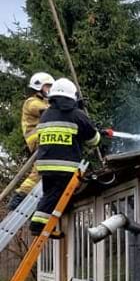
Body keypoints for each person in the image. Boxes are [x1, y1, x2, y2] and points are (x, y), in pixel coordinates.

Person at [29, 78, 100, 237]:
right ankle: (37, 226)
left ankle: (49, 227)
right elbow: (93, 140)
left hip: (45, 165)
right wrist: (94, 129)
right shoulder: (77, 115)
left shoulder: (45, 115)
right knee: (55, 196)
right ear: (72, 97)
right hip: (65, 167)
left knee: (51, 196)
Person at [8, 72, 54, 210]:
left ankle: (23, 197)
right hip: (37, 138)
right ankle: (19, 197)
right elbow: (47, 112)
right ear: (39, 88)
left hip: (46, 139)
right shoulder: (32, 102)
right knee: (38, 172)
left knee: (41, 172)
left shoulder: (47, 103)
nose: (50, 89)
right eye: (47, 86)